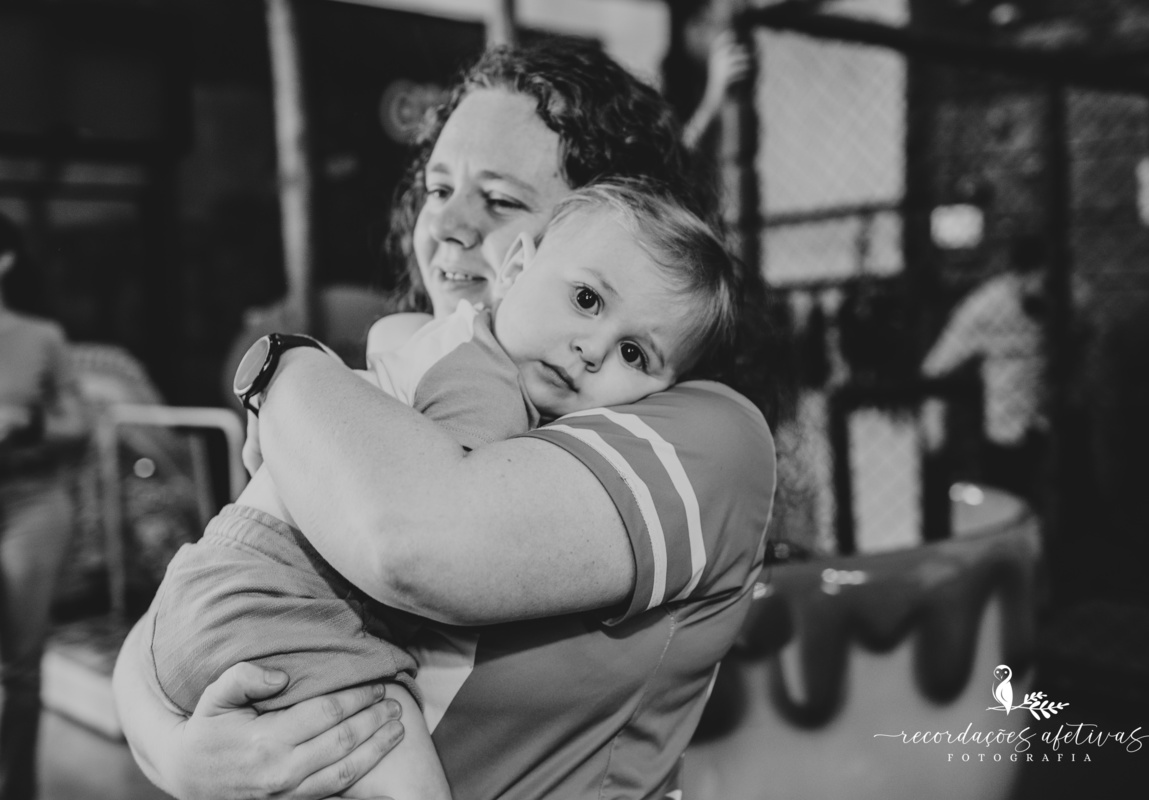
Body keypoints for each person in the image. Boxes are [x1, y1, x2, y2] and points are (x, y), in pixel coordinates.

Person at [114, 38, 778, 800]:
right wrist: (175, 752)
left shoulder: (707, 433)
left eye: (500, 199)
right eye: (438, 187)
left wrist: (286, 369)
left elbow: (412, 540)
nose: (451, 225)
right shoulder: (407, 378)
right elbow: (202, 582)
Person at [0, 213, 88, 800]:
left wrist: (22, 422)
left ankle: (18, 787)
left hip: (30, 504)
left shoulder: (41, 337)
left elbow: (78, 422)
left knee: (19, 662)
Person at [921, 234, 1067, 501]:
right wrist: (935, 436)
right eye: (1044, 282)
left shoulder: (1066, 298)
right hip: (1005, 435)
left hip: (1048, 426)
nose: (1049, 292)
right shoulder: (985, 308)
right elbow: (935, 368)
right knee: (1009, 502)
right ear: (1022, 274)